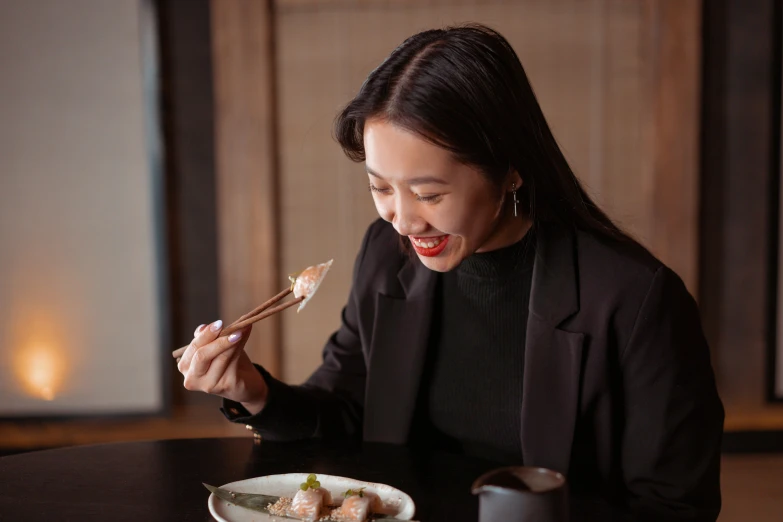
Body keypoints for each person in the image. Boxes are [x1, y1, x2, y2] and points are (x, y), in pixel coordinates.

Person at [176, 24, 724, 521]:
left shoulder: (635, 299)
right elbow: (344, 413)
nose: (403, 219)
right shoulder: (386, 256)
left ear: (510, 172)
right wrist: (251, 390)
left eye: (429, 193)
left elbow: (675, 506)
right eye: (380, 187)